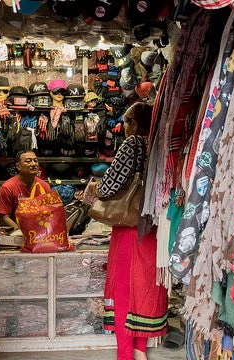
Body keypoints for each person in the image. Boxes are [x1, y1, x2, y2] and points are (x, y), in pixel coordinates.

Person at [89, 102, 168, 360]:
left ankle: (125, 354)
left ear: (134, 122)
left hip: (128, 229)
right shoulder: (159, 144)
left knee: (123, 289)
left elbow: (111, 183)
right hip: (152, 227)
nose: (124, 128)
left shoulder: (133, 144)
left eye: (127, 122)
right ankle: (140, 351)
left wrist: (95, 191)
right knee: (144, 286)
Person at [0, 150, 51, 231]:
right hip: (17, 232)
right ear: (18, 166)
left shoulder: (45, 186)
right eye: (28, 161)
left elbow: (51, 213)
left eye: (35, 161)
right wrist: (19, 231)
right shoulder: (8, 187)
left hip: (40, 232)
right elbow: (4, 217)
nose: (33, 164)